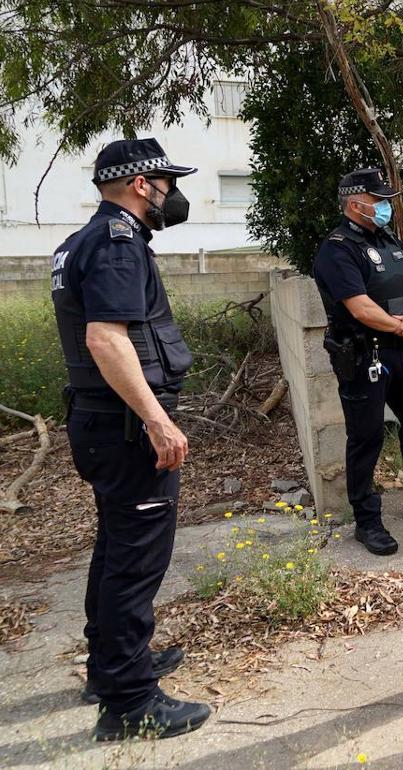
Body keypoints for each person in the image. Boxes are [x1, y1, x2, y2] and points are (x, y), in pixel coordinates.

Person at [51, 138, 210, 740]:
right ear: (142, 185)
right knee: (136, 560)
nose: (173, 193)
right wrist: (156, 419)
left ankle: (112, 666)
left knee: (118, 547)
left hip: (99, 422)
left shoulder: (81, 242)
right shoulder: (118, 243)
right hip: (123, 429)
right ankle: (129, 702)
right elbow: (105, 339)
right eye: (166, 182)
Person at [313, 168, 403, 557]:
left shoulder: (388, 239)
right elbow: (360, 307)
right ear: (356, 204)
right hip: (364, 354)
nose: (386, 207)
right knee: (366, 438)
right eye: (379, 201)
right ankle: (367, 521)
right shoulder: (337, 249)